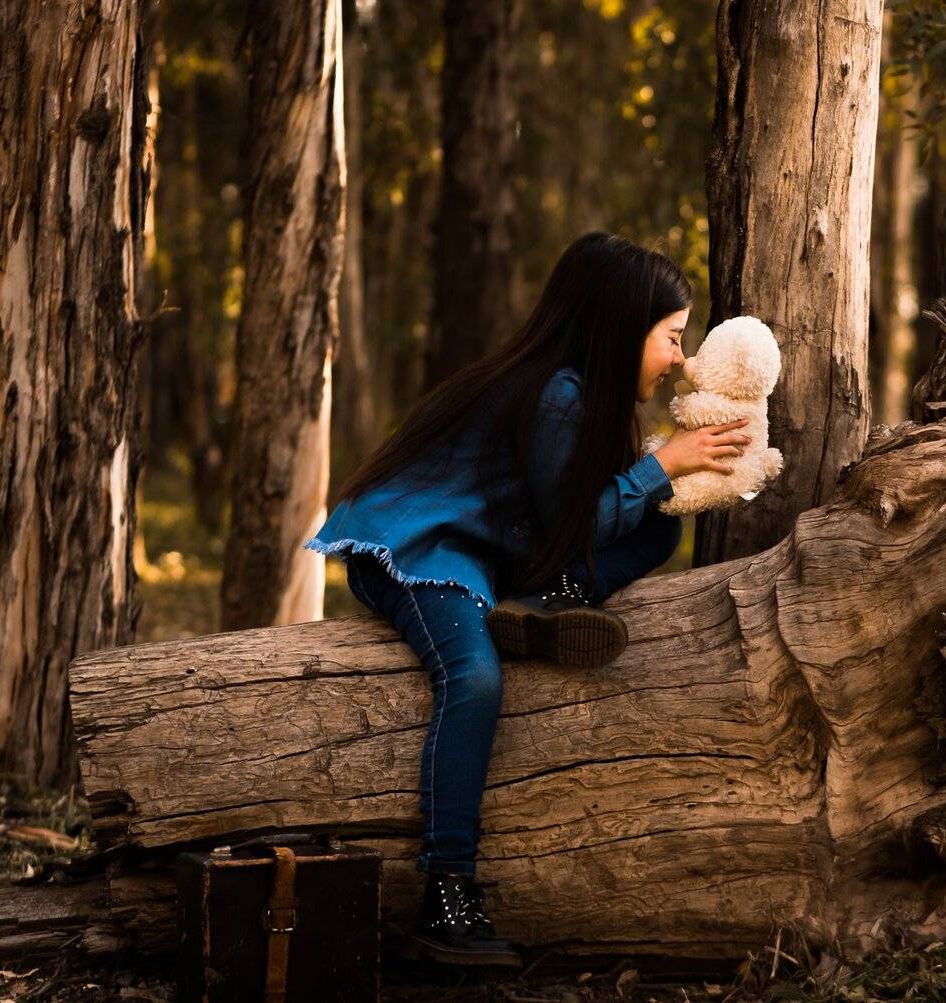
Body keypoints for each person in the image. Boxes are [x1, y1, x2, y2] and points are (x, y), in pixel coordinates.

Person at [304, 231, 753, 969]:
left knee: (655, 530)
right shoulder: (558, 395)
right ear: (620, 329)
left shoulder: (585, 397)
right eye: (672, 337)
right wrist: (664, 465)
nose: (679, 357)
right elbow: (576, 521)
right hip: (421, 547)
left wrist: (663, 476)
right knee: (474, 679)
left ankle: (550, 598)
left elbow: (575, 510)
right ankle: (446, 896)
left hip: (490, 547)